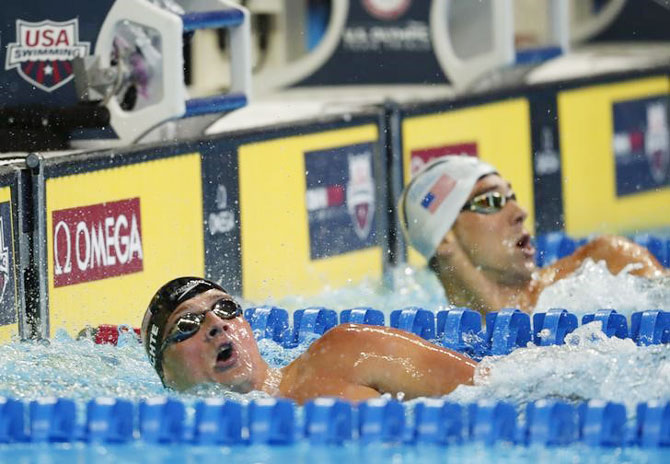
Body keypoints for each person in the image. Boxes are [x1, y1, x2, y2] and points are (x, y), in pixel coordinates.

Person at [398, 156, 667, 315]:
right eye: (491, 201)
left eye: (512, 197)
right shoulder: (437, 343)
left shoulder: (608, 265)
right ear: (445, 237)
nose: (520, 212)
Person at [141, 277, 476, 404]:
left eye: (226, 308)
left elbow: (491, 388)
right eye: (187, 324)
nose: (216, 324)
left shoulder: (347, 352)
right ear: (166, 373)